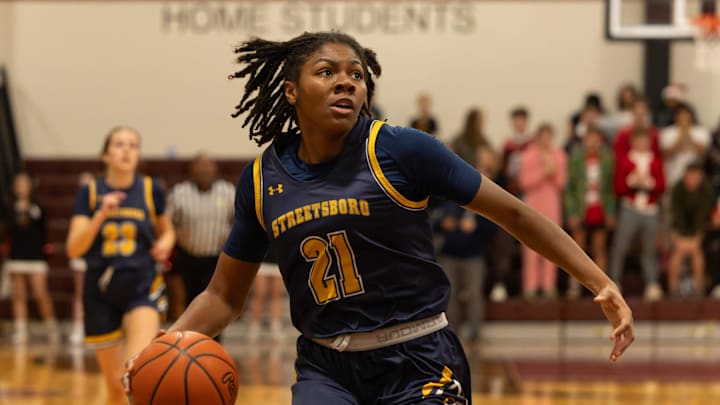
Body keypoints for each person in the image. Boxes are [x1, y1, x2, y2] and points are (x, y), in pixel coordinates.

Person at [127, 31, 634, 404]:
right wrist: (165, 347)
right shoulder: (262, 180)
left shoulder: (399, 150)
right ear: (290, 90)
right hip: (327, 365)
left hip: (419, 355)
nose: (346, 83)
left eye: (356, 75)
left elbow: (517, 214)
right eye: (327, 72)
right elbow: (222, 296)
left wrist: (598, 280)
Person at [66, 126, 175, 405]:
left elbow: (168, 230)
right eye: (119, 144)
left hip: (142, 284)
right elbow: (73, 248)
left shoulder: (151, 189)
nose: (127, 150)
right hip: (100, 289)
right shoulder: (90, 192)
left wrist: (165, 243)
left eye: (133, 145)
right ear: (105, 154)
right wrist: (101, 214)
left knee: (135, 375)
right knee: (115, 386)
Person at [166, 153, 235, 335]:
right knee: (188, 302)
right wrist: (175, 234)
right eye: (199, 167)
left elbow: (240, 221)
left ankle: (214, 343)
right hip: (187, 256)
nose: (204, 170)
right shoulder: (179, 193)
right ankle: (185, 341)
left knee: (217, 303)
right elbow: (166, 222)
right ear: (191, 171)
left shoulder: (228, 192)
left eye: (208, 166)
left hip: (217, 258)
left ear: (215, 169)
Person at [609, 128, 666, 301]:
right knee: (620, 246)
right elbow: (618, 187)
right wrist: (632, 182)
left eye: (645, 140)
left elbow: (662, 186)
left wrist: (648, 183)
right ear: (633, 142)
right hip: (630, 207)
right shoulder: (625, 160)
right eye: (638, 140)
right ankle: (613, 282)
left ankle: (652, 284)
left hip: (650, 209)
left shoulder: (655, 161)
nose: (642, 144)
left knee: (649, 248)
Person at [1, 172, 58, 344]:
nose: (21, 187)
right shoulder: (9, 208)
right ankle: (21, 330)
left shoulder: (38, 207)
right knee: (19, 295)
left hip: (35, 257)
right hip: (16, 256)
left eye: (24, 184)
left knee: (40, 293)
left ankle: (51, 327)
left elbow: (44, 232)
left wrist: (45, 253)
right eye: (18, 184)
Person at [564, 127, 616, 299]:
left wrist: (610, 211)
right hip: (582, 208)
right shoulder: (577, 159)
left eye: (596, 139)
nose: (592, 142)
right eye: (589, 139)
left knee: (599, 247)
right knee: (577, 249)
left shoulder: (607, 159)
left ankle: (602, 286)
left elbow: (611, 188)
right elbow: (570, 187)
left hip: (599, 208)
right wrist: (572, 212)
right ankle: (574, 285)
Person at [518, 123, 568, 300]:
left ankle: (548, 286)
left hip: (551, 204)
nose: (546, 140)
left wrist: (552, 169)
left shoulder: (559, 156)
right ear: (538, 137)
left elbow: (561, 183)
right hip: (533, 204)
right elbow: (524, 182)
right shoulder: (528, 155)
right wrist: (543, 172)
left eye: (549, 136)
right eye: (543, 136)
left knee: (551, 245)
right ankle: (530, 286)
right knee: (530, 246)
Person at [667, 162, 713, 297]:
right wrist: (680, 238)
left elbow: (702, 217)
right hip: (678, 230)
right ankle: (673, 289)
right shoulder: (677, 189)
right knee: (678, 252)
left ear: (701, 177)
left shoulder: (707, 191)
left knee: (697, 253)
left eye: (695, 177)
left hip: (699, 230)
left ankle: (698, 289)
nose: (692, 180)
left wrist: (695, 239)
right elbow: (677, 215)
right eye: (689, 176)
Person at [68, 171, 95, 345]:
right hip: (81, 257)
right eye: (82, 184)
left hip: (99, 257)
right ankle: (78, 327)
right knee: (79, 293)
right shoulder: (80, 208)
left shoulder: (105, 204)